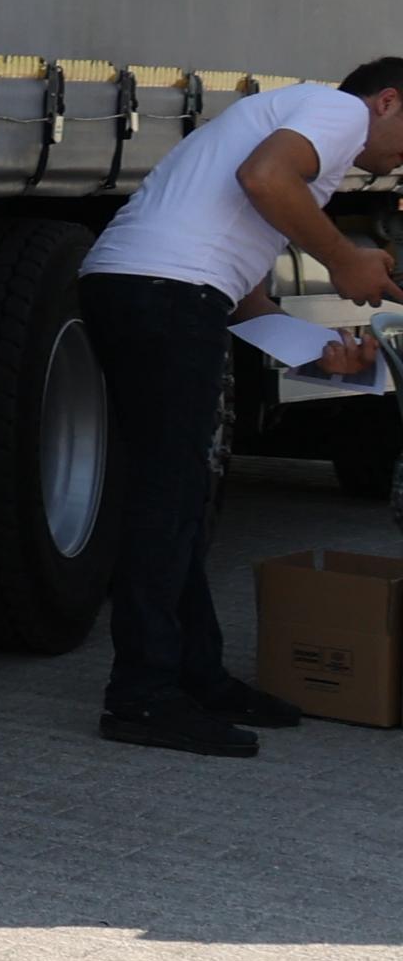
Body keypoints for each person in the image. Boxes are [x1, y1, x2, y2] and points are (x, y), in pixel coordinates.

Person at [74, 60, 403, 754]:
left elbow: (244, 292)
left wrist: (319, 357)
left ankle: (196, 675)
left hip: (148, 290)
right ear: (388, 101)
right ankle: (142, 697)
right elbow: (264, 181)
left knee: (182, 497)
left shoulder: (293, 132)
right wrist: (345, 257)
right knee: (169, 500)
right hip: (166, 294)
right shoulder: (338, 113)